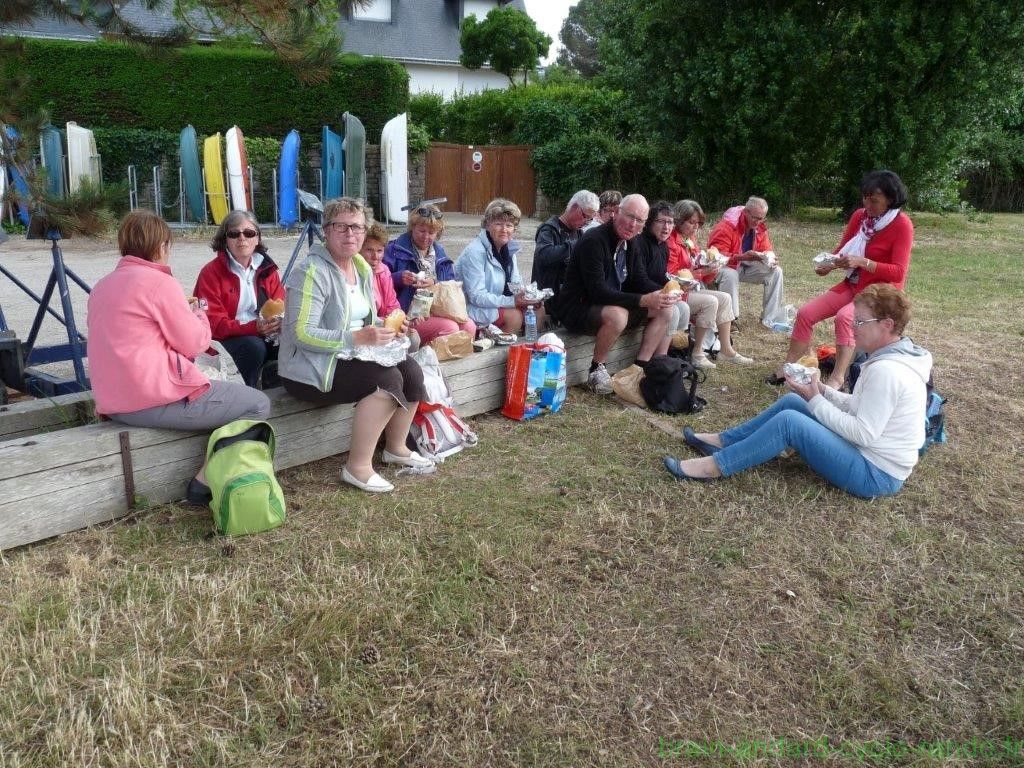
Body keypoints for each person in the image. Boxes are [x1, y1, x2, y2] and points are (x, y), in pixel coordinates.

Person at [664, 284, 931, 498]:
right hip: (871, 458)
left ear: (886, 325)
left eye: (860, 322)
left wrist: (815, 399)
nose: (852, 327)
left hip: (876, 473)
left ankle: (716, 466)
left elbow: (864, 433)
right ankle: (723, 441)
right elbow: (860, 406)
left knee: (790, 422)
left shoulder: (887, 371)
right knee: (793, 401)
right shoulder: (890, 359)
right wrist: (823, 391)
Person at [87, 210, 271, 505]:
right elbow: (194, 343)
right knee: (257, 404)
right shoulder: (160, 283)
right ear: (161, 246)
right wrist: (198, 312)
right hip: (153, 398)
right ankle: (203, 484)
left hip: (113, 401)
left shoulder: (102, 286)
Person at [279, 197, 432, 494]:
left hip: (354, 353)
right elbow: (300, 333)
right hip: (308, 368)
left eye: (357, 228)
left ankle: (395, 448)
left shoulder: (361, 266)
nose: (351, 234)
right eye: (342, 227)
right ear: (326, 230)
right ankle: (357, 467)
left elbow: (366, 317)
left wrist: (389, 328)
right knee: (386, 380)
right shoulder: (310, 272)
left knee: (412, 370)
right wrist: (356, 338)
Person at [769, 170, 914, 389]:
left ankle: (839, 377)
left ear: (891, 200)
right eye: (865, 198)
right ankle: (790, 365)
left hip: (881, 293)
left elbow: (898, 272)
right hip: (854, 284)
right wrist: (829, 265)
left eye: (874, 200)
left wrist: (863, 262)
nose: (867, 204)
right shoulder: (860, 217)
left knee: (845, 318)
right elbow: (843, 250)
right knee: (806, 314)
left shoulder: (902, 225)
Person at [551, 193, 678, 394]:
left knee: (665, 308)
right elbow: (598, 292)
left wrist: (664, 291)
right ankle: (596, 369)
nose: (632, 224)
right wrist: (643, 300)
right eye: (630, 216)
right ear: (616, 212)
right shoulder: (594, 240)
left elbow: (638, 279)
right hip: (577, 308)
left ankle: (640, 368)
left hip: (611, 304)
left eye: (639, 221)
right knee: (619, 315)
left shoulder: (632, 242)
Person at [647, 200, 753, 369]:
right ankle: (697, 353)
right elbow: (671, 273)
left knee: (725, 298)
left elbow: (704, 277)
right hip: (678, 292)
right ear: (680, 220)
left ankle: (726, 350)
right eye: (691, 222)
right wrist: (697, 272)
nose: (695, 227)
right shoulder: (671, 241)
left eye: (698, 223)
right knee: (710, 302)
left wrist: (711, 269)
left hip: (691, 289)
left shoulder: (690, 239)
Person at [194, 210, 284, 389]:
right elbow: (212, 324)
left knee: (292, 342)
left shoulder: (267, 269)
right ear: (225, 239)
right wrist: (253, 328)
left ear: (257, 238)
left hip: (263, 334)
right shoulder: (211, 273)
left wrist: (279, 322)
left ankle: (284, 393)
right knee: (253, 347)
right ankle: (242, 395)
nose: (242, 238)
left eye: (249, 233)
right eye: (234, 234)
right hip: (225, 340)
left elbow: (281, 303)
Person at [382, 202, 475, 345]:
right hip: (408, 315)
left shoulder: (439, 252)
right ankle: (426, 362)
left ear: (438, 233)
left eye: (431, 233)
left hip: (437, 310)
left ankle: (448, 363)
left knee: (469, 327)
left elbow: (451, 283)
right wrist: (399, 278)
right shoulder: (394, 249)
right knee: (450, 328)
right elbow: (379, 281)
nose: (426, 237)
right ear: (412, 227)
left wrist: (435, 283)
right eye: (422, 230)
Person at [454, 198, 545, 337]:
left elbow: (515, 284)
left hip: (496, 304)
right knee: (514, 316)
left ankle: (528, 352)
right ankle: (500, 356)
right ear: (487, 225)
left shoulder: (509, 249)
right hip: (471, 308)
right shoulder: (474, 252)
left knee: (538, 310)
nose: (504, 230)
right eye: (498, 224)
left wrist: (527, 297)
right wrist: (512, 301)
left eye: (509, 225)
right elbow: (476, 296)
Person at [706, 195, 785, 325]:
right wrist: (742, 257)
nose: (757, 222)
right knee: (731, 274)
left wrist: (769, 258)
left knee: (776, 271)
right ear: (745, 212)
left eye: (761, 218)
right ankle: (730, 320)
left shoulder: (759, 227)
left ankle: (770, 318)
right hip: (722, 267)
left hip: (744, 265)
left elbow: (766, 249)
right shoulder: (727, 226)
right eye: (755, 218)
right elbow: (716, 256)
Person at [531, 189, 599, 295]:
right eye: (585, 216)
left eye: (590, 219)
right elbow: (543, 255)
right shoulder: (549, 229)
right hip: (546, 296)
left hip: (567, 294)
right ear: (574, 207)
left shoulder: (579, 233)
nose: (586, 222)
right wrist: (575, 245)